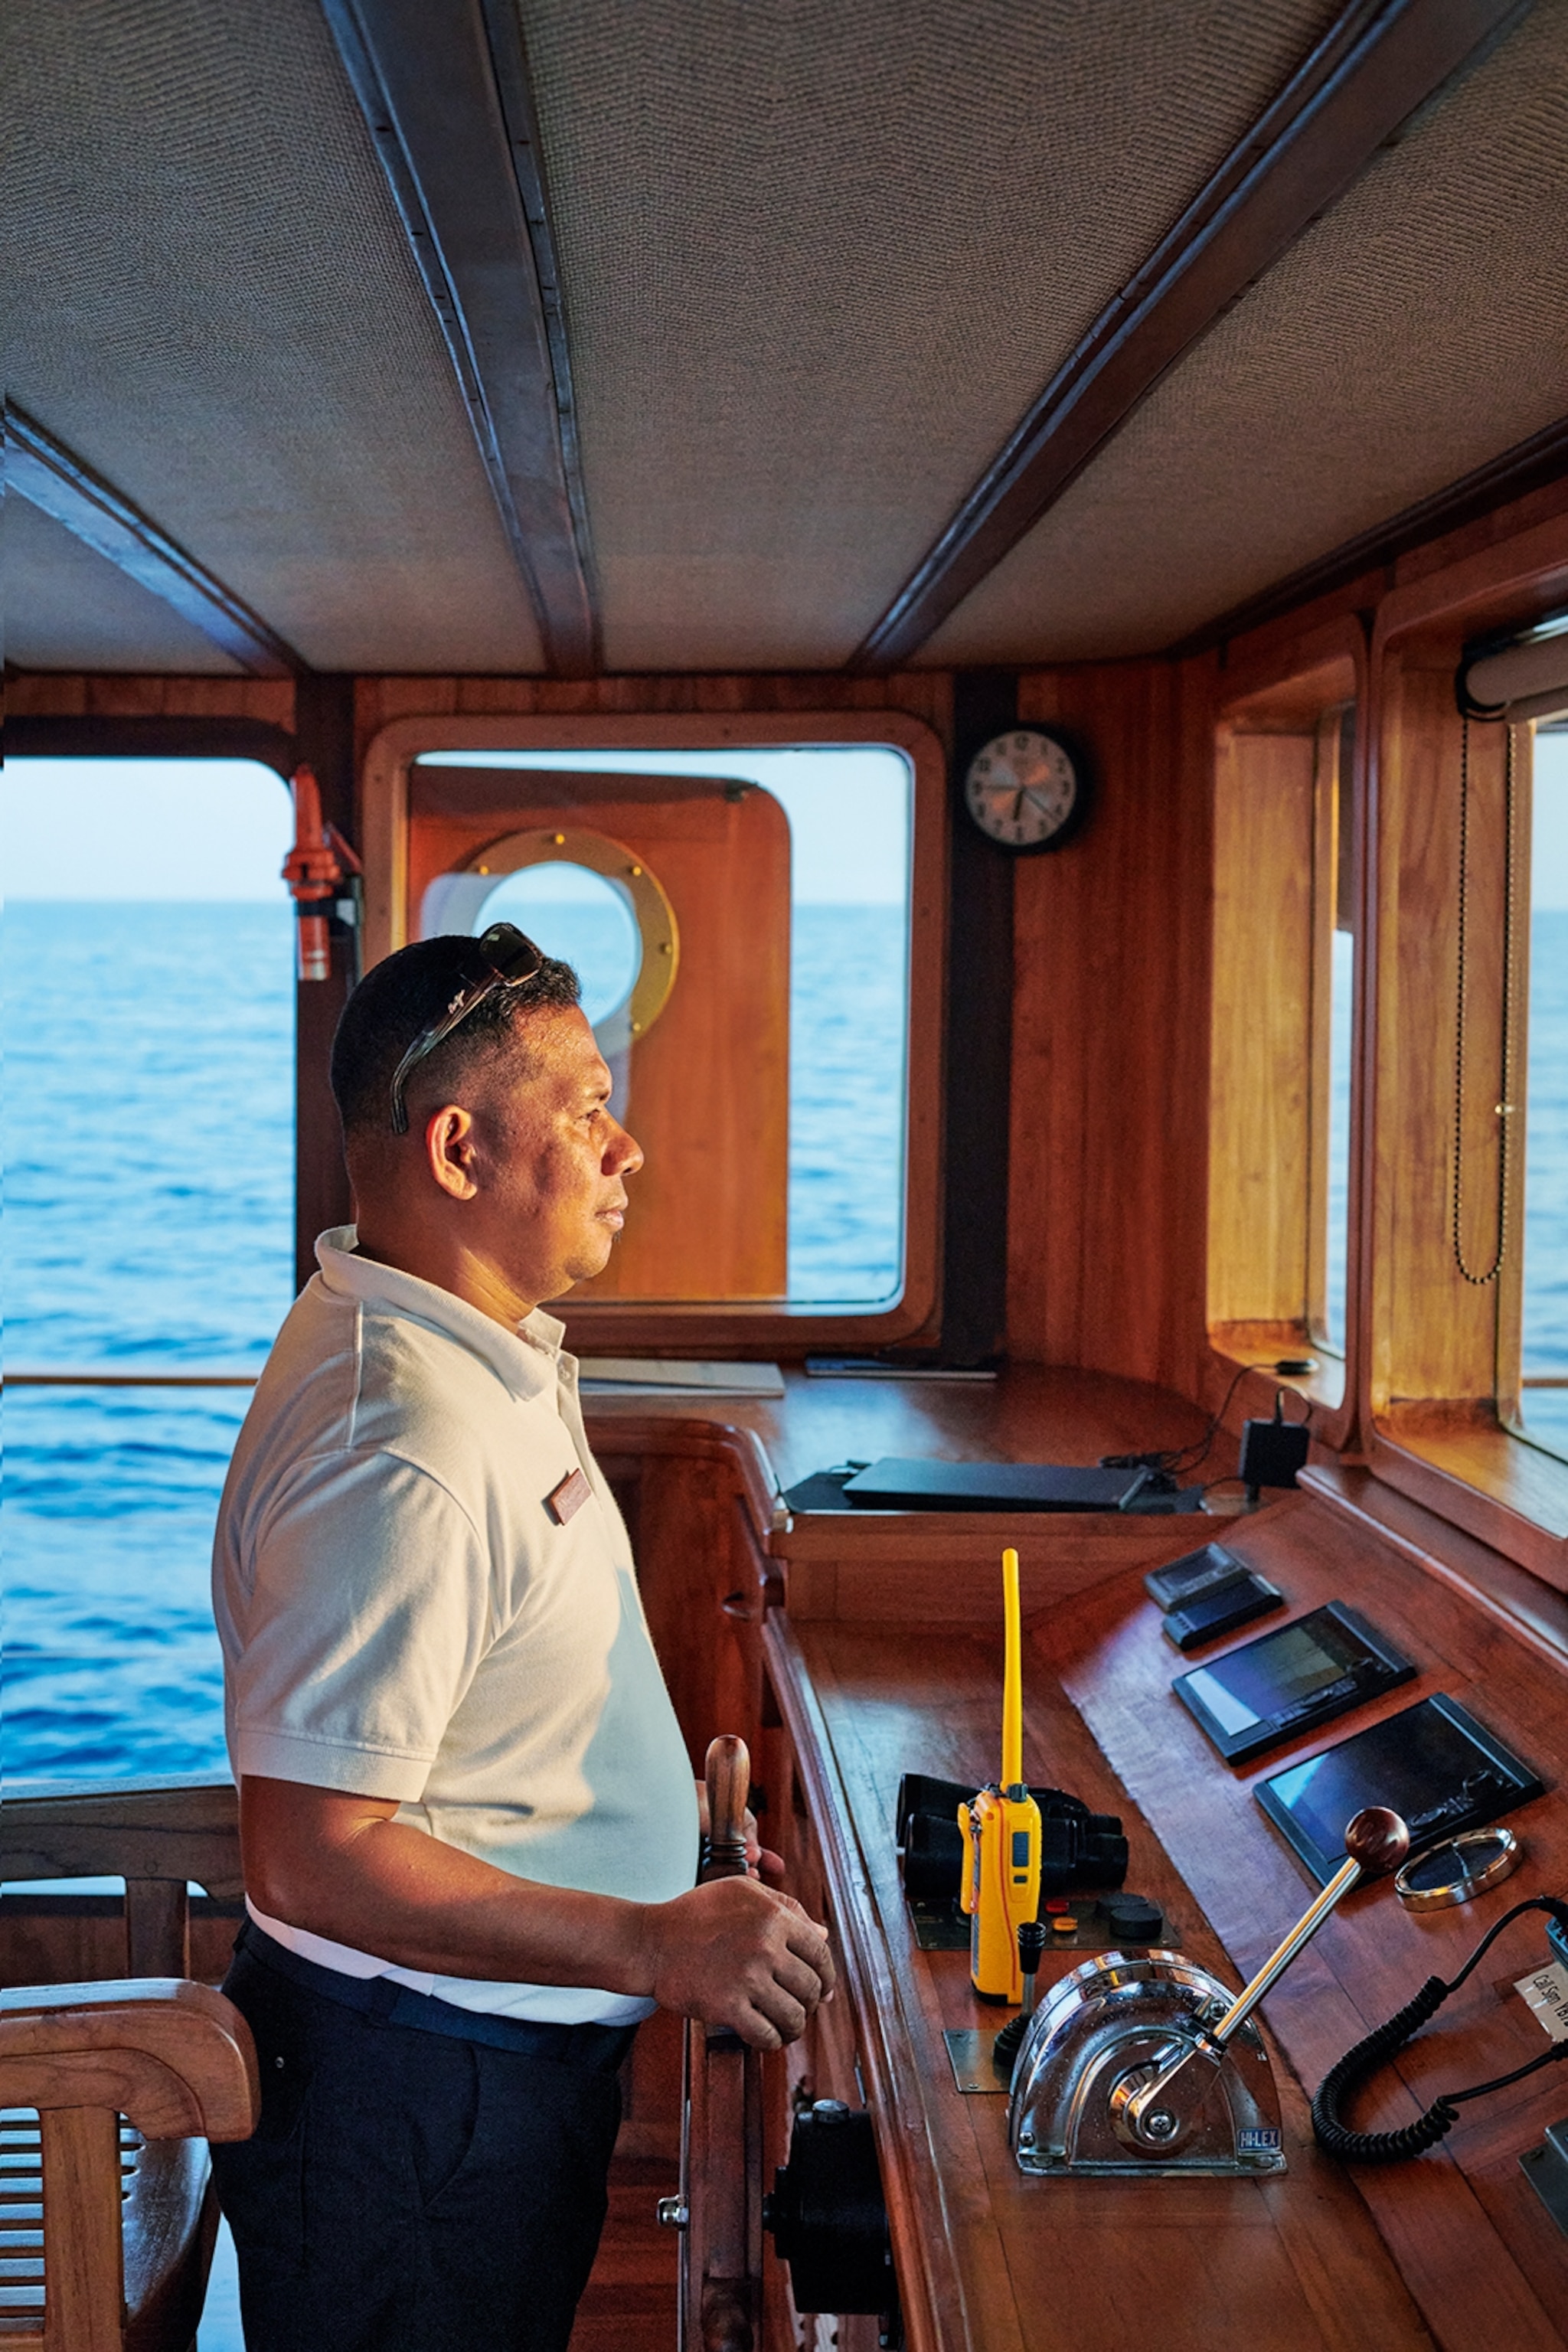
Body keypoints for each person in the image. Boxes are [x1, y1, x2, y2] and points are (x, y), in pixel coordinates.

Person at [210, 924, 834, 2352]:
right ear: (458, 1150)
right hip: (414, 2103)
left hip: (463, 2069)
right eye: (589, 1112)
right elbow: (314, 1852)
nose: (627, 1149)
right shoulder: (398, 1444)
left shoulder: (462, 1346)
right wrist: (655, 1940)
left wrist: (662, 1847)